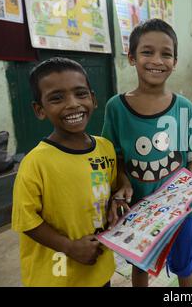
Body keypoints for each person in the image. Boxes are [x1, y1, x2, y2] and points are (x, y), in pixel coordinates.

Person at [102, 19, 192, 287]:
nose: (157, 60)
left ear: (175, 61)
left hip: (180, 211)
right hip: (138, 211)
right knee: (140, 263)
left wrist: (184, 195)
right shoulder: (116, 107)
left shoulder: (184, 107)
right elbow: (114, 158)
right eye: (147, 52)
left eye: (166, 53)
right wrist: (123, 182)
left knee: (184, 262)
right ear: (132, 57)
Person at [11, 57, 123, 287]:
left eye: (80, 94)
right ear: (40, 110)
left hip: (99, 267)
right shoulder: (36, 162)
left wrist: (116, 201)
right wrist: (69, 247)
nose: (72, 104)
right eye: (57, 98)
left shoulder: (105, 148)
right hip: (57, 273)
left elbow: (109, 189)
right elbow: (26, 220)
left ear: (93, 98)